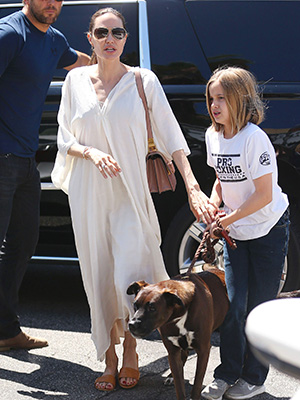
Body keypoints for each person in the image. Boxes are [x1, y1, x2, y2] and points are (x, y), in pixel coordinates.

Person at [51, 7, 215, 392]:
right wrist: (90, 153)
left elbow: (172, 136)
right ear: (89, 38)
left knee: (130, 270)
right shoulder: (74, 81)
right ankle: (108, 355)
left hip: (130, 193)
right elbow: (63, 138)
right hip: (89, 192)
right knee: (99, 273)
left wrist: (192, 185)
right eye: (102, 32)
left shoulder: (143, 80)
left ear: (126, 39)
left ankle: (131, 352)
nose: (111, 39)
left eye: (118, 33)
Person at [0, 0, 90, 352]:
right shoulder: (10, 35)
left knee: (23, 243)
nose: (51, 2)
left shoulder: (54, 39)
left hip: (24, 159)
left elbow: (82, 60)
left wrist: (123, 68)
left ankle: (6, 330)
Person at [201, 66, 290, 400]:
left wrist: (228, 219)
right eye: (211, 98)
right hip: (236, 232)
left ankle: (254, 378)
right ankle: (227, 373)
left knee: (258, 306)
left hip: (268, 228)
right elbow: (221, 178)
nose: (214, 105)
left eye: (222, 98)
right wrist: (213, 204)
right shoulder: (214, 135)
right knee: (235, 305)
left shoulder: (255, 139)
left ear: (240, 99)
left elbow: (265, 195)